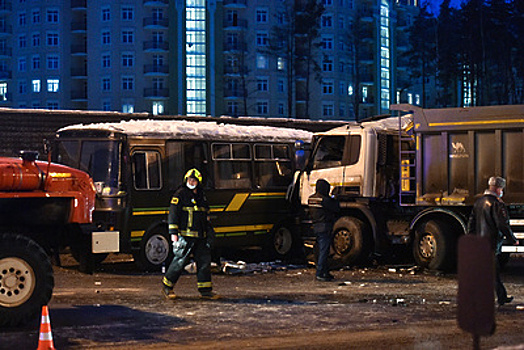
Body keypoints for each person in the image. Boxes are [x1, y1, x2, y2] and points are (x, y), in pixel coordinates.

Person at [161, 168, 220, 300]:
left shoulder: (201, 196)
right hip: (185, 236)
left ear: (199, 182)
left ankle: (205, 290)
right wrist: (173, 233)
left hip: (201, 236)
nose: (191, 182)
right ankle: (167, 286)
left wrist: (209, 233)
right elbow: (173, 214)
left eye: (194, 180)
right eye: (189, 180)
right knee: (179, 262)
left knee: (204, 263)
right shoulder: (180, 195)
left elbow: (206, 216)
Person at [467, 176, 518, 306]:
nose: (502, 191)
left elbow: (471, 223)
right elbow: (502, 224)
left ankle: (501, 296)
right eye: (501, 188)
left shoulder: (478, 202)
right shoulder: (497, 203)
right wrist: (512, 239)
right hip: (491, 243)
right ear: (497, 188)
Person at [308, 179, 340, 282]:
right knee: (324, 252)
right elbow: (335, 208)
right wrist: (335, 198)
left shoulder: (311, 198)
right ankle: (320, 273)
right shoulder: (324, 200)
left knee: (320, 250)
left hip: (316, 226)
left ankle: (325, 272)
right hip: (325, 226)